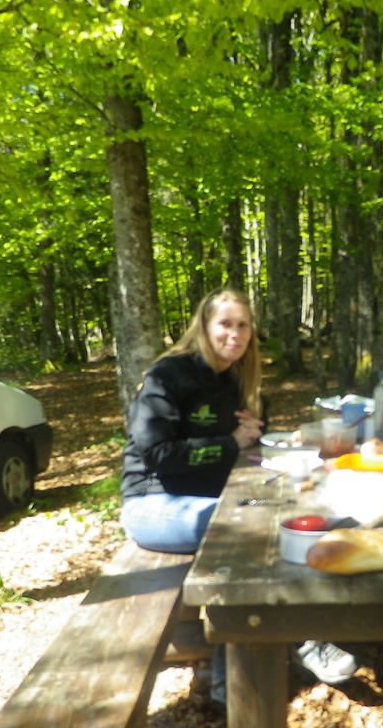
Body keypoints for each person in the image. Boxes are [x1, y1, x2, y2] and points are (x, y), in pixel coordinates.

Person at [120, 287, 358, 700]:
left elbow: (247, 444)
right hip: (154, 505)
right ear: (204, 326)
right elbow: (157, 454)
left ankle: (228, 674)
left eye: (243, 325)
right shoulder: (168, 376)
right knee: (248, 534)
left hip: (221, 500)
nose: (235, 333)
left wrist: (255, 429)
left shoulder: (237, 380)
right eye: (225, 324)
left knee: (282, 514)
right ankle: (302, 640)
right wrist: (229, 442)